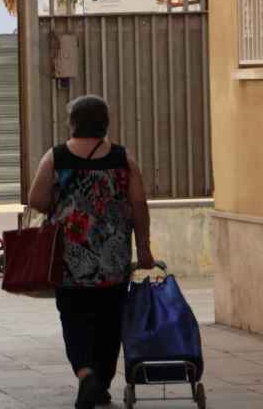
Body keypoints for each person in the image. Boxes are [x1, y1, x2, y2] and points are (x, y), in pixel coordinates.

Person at [27, 95, 156, 409]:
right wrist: (144, 247)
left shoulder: (55, 157)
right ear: (105, 123)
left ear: (73, 123)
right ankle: (102, 382)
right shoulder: (123, 158)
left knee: (73, 318)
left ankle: (86, 375)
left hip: (69, 258)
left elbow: (37, 200)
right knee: (110, 323)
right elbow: (138, 204)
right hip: (113, 259)